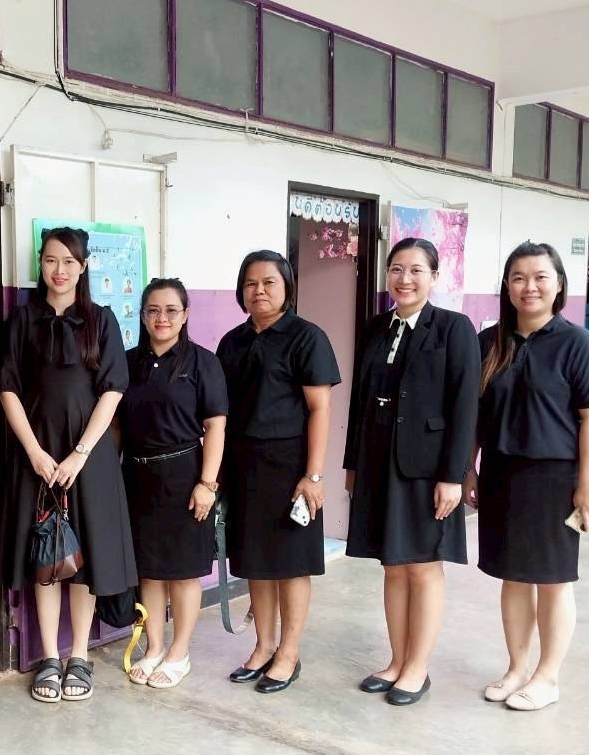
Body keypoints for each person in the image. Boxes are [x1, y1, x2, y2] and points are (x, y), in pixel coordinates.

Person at [465, 242, 589, 711]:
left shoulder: (578, 343)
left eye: (540, 277)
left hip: (555, 478)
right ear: (507, 287)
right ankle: (516, 668)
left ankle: (547, 677)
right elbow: (474, 416)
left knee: (552, 579)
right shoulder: (489, 342)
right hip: (501, 473)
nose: (529, 287)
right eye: (519, 278)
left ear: (559, 285)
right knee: (512, 576)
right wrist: (468, 468)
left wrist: (587, 482)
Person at [0, 227, 137, 704]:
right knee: (46, 556)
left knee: (84, 558)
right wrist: (35, 452)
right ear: (41, 263)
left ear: (83, 267)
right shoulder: (22, 320)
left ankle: (79, 654)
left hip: (88, 459)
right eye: (51, 260)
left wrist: (80, 453)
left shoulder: (101, 320)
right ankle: (50, 658)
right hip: (35, 457)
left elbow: (112, 390)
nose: (59, 270)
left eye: (69, 262)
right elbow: (8, 388)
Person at [343, 238, 480, 705]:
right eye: (396, 269)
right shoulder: (375, 327)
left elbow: (465, 407)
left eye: (416, 270)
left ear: (434, 277)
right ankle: (397, 660)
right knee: (393, 566)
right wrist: (353, 463)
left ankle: (418, 668)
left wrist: (454, 475)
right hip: (379, 461)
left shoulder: (453, 328)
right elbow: (360, 402)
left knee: (422, 566)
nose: (404, 279)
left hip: (427, 467)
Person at [217, 250, 339, 694]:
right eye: (250, 283)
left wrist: (314, 475)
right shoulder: (232, 342)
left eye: (269, 282)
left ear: (287, 287)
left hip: (291, 468)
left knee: (290, 564)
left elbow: (320, 408)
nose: (259, 291)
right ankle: (263, 645)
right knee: (256, 563)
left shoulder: (307, 338)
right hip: (244, 466)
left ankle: (288, 652)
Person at [118, 279, 227, 688]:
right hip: (137, 476)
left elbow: (216, 426)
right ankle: (154, 648)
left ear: (185, 315)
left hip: (185, 478)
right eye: (153, 310)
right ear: (142, 315)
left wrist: (207, 484)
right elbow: (115, 424)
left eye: (170, 310)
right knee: (149, 570)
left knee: (183, 571)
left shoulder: (202, 363)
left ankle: (179, 653)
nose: (161, 318)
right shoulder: (128, 362)